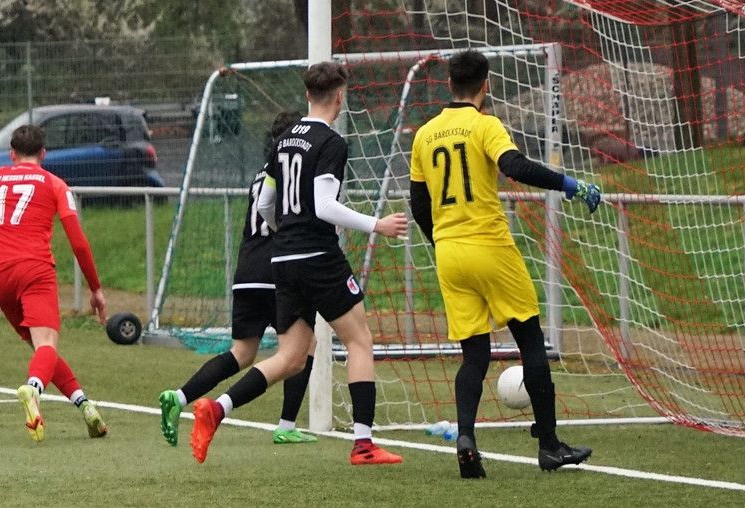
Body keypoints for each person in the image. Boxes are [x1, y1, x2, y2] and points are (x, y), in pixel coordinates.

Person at [189, 61, 409, 465]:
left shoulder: (284, 141)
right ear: (340, 97)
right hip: (318, 258)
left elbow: (265, 204)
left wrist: (286, 233)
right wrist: (376, 224)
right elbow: (324, 206)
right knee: (359, 341)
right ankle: (363, 444)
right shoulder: (331, 142)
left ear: (308, 95)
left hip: (284, 261)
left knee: (290, 357)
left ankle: (216, 409)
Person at [408, 49, 601, 479]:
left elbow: (419, 204)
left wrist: (441, 242)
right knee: (530, 340)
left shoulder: (424, 135)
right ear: (486, 85)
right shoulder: (485, 124)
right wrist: (569, 184)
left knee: (473, 355)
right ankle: (549, 445)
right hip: (490, 246)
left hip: (450, 254)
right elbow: (514, 166)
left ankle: (465, 437)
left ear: (449, 84)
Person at [158, 110, 320, 446]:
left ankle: (179, 396)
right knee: (302, 348)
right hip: (279, 272)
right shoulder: (295, 172)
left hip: (246, 272)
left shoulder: (261, 175)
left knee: (242, 353)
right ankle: (284, 424)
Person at [0, 124, 108, 442]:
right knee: (46, 345)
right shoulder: (55, 184)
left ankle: (86, 406)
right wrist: (95, 288)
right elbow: (78, 242)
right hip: (35, 271)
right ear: (43, 154)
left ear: (12, 154)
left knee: (41, 350)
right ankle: (33, 389)